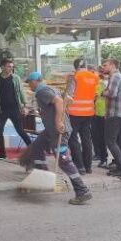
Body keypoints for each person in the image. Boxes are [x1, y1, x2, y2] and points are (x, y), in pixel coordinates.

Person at [24, 72, 92, 205]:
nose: (29, 86)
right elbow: (66, 100)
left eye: (29, 83)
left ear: (35, 81)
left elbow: (59, 101)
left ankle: (82, 191)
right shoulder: (50, 88)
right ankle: (43, 176)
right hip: (51, 130)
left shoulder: (42, 91)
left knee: (64, 161)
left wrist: (58, 121)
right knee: (37, 146)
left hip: (58, 131)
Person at [0, 58, 31, 160]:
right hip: (1, 110)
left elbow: (21, 92)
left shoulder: (15, 78)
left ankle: (33, 150)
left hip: (14, 109)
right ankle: (2, 153)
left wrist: (25, 105)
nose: (11, 68)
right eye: (8, 66)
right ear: (2, 67)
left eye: (12, 67)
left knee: (20, 131)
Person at [65, 58, 99, 174]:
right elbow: (96, 94)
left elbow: (69, 95)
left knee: (73, 138)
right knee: (86, 139)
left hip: (74, 112)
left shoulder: (74, 77)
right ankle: (88, 166)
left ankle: (79, 166)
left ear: (75, 67)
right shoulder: (94, 77)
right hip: (88, 112)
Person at [101, 58, 121, 177]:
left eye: (105, 65)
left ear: (112, 65)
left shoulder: (115, 77)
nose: (103, 67)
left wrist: (103, 92)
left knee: (110, 141)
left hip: (115, 114)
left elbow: (112, 94)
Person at [93, 67, 109, 168]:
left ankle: (105, 159)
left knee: (105, 138)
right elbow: (95, 97)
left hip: (105, 114)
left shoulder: (107, 83)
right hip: (97, 113)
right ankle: (102, 157)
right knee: (98, 137)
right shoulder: (97, 84)